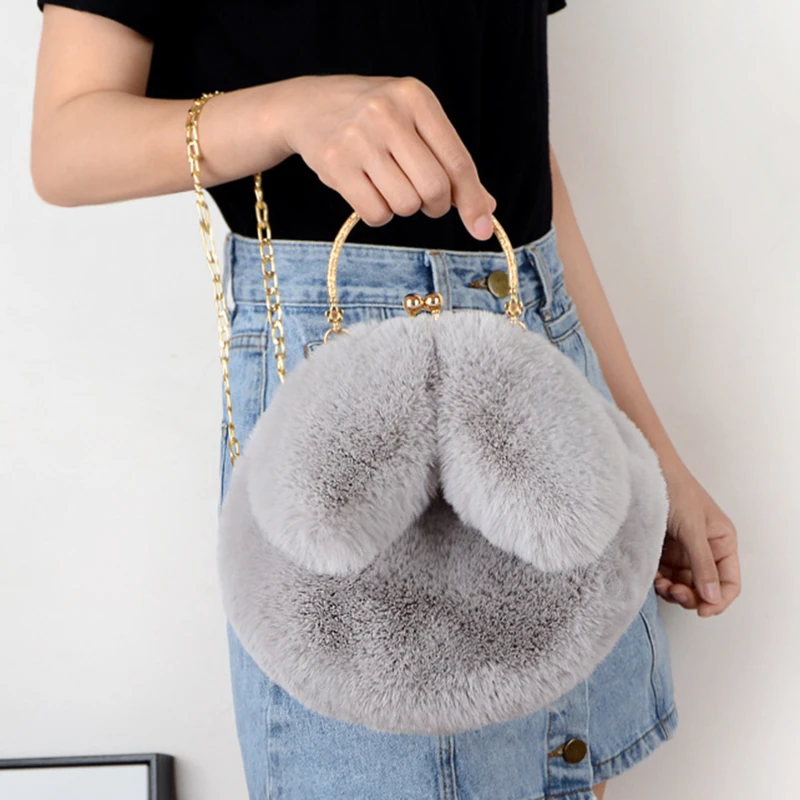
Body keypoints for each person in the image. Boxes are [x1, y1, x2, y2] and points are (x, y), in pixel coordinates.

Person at [31, 2, 742, 798]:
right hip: (347, 400)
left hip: (544, 367)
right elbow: (65, 143)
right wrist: (288, 113)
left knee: (567, 774)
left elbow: (515, 169)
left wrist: (656, 456)